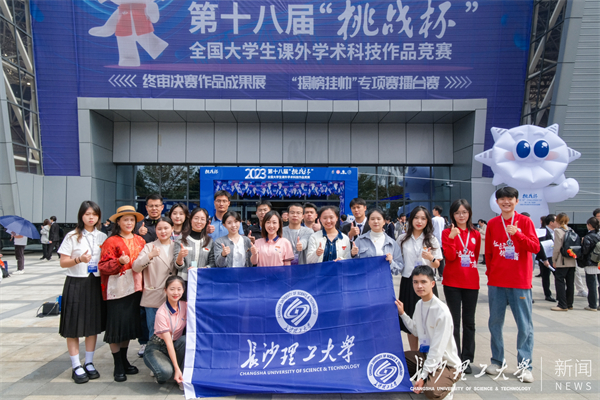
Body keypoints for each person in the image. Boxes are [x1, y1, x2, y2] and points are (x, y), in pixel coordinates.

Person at [484, 187, 538, 382]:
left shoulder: (525, 222)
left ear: (516, 201)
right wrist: (491, 273)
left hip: (520, 282)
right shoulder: (492, 223)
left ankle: (525, 366)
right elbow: (489, 252)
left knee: (524, 325)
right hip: (497, 282)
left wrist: (518, 235)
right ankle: (497, 360)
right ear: (497, 202)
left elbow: (535, 247)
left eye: (510, 199)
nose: (506, 202)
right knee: (495, 323)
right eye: (502, 199)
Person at [57, 201, 107, 384]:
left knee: (92, 325)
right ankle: (76, 364)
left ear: (99, 217)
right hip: (76, 283)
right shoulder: (72, 236)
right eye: (87, 214)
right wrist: (79, 259)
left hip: (95, 283)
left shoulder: (102, 236)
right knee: (74, 325)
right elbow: (63, 262)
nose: (91, 217)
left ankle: (89, 362)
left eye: (94, 214)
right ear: (81, 216)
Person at [395, 265, 461, 400]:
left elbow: (437, 350)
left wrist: (423, 376)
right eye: (415, 282)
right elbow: (415, 330)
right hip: (426, 356)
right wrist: (402, 314)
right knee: (396, 361)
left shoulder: (441, 311)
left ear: (432, 284)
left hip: (446, 364)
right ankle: (431, 377)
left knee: (431, 391)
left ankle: (447, 385)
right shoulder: (419, 304)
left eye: (423, 282)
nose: (419, 286)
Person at [99, 205, 146, 382]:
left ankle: (125, 361)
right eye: (125, 219)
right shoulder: (111, 241)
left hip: (135, 289)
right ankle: (117, 364)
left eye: (131, 220)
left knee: (127, 328)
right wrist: (118, 262)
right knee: (116, 328)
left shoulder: (140, 240)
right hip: (117, 291)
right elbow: (103, 266)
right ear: (118, 221)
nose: (129, 223)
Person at [441, 199, 481, 374]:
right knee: (454, 322)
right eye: (457, 213)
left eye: (464, 212)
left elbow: (475, 256)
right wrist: (451, 238)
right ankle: (455, 357)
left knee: (469, 322)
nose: (461, 215)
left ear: (469, 213)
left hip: (471, 282)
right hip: (452, 282)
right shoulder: (446, 233)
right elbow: (450, 257)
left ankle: (467, 359)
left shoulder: (475, 234)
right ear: (452, 215)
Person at [396, 206, 442, 351]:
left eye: (423, 218)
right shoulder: (402, 239)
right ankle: (414, 354)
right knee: (410, 318)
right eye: (416, 218)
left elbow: (437, 263)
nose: (419, 221)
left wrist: (430, 257)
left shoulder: (431, 239)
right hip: (409, 282)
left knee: (428, 318)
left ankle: (427, 354)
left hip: (426, 283)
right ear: (411, 219)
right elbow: (397, 259)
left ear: (427, 221)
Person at [133, 217, 177, 339]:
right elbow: (136, 267)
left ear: (172, 229)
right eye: (159, 229)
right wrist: (149, 256)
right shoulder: (149, 247)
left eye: (166, 228)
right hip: (154, 295)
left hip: (172, 295)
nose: (163, 231)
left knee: (172, 330)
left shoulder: (177, 246)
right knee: (154, 332)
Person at [143, 276, 187, 389]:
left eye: (179, 289)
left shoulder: (184, 306)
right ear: (165, 290)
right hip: (158, 346)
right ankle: (162, 367)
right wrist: (176, 368)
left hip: (176, 343)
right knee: (165, 373)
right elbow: (168, 343)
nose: (175, 293)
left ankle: (180, 375)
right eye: (172, 289)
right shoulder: (161, 313)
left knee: (185, 340)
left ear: (183, 290)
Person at [351, 208, 403, 276]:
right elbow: (352, 265)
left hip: (384, 280)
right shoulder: (360, 240)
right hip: (365, 280)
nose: (375, 221)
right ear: (368, 222)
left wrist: (391, 262)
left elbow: (399, 268)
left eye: (379, 219)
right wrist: (352, 254)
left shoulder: (392, 243)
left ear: (384, 221)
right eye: (372, 219)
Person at [173, 207, 214, 290]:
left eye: (202, 219)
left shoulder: (209, 241)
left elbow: (212, 264)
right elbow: (178, 266)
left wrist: (199, 270)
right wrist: (180, 256)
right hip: (184, 282)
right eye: (196, 218)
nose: (199, 222)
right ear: (191, 219)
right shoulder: (181, 239)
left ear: (206, 222)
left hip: (203, 282)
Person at [551, 213, 577, 311]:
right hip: (572, 259)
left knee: (560, 281)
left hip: (562, 260)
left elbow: (557, 247)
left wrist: (554, 260)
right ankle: (569, 304)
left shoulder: (558, 231)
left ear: (557, 220)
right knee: (570, 283)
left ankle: (562, 304)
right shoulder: (571, 230)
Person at [536, 214, 557, 302]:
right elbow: (540, 246)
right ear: (551, 222)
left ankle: (560, 294)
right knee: (546, 276)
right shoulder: (542, 231)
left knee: (558, 276)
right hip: (545, 258)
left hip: (555, 257)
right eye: (556, 221)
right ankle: (548, 295)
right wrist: (544, 259)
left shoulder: (557, 231)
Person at [580, 217, 600, 311]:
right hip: (599, 262)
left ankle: (592, 305)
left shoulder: (588, 237)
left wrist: (582, 243)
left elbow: (585, 251)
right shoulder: (599, 235)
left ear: (589, 225)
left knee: (591, 285)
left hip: (590, 263)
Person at [432, 206, 446, 280]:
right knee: (440, 258)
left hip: (434, 240)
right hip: (441, 241)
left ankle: (433, 274)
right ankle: (441, 275)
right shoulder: (442, 219)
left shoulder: (433, 219)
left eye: (433, 210)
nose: (432, 211)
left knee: (433, 258)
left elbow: (431, 229)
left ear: (436, 211)